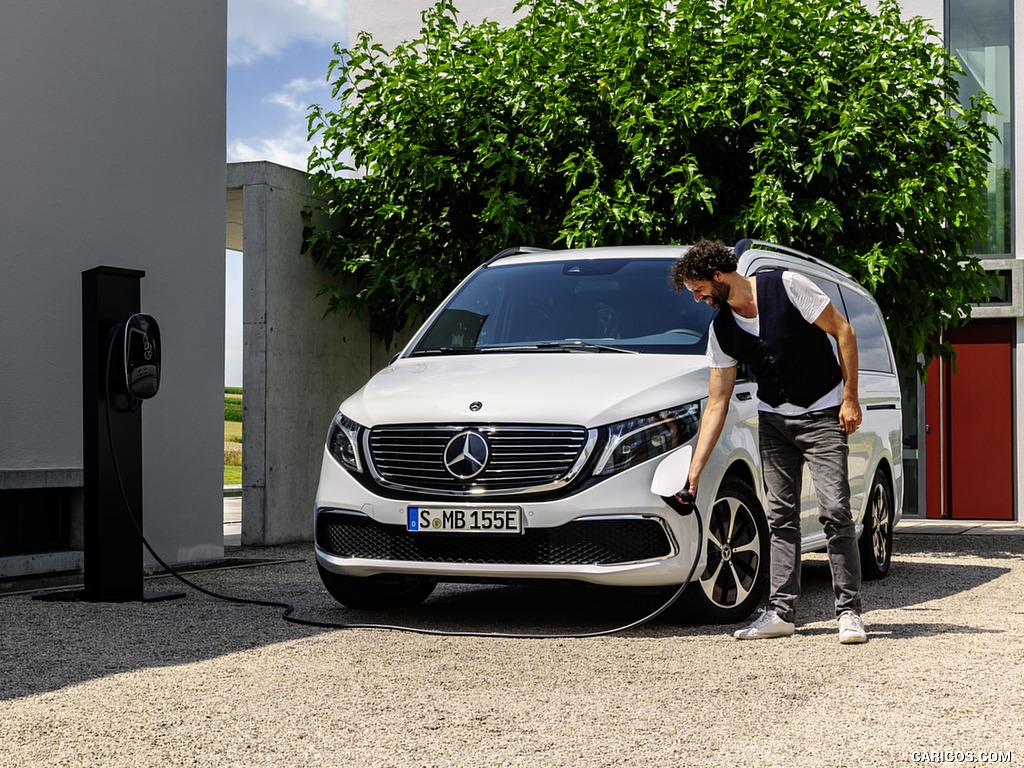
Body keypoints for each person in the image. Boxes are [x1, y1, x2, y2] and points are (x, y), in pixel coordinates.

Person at [670, 239, 868, 644]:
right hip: (775, 422)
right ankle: (781, 612)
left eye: (698, 287)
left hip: (822, 412)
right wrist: (694, 471)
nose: (696, 297)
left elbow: (843, 332)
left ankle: (848, 612)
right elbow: (717, 402)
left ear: (718, 275)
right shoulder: (721, 330)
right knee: (780, 518)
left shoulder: (787, 285)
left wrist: (850, 398)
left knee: (835, 511)